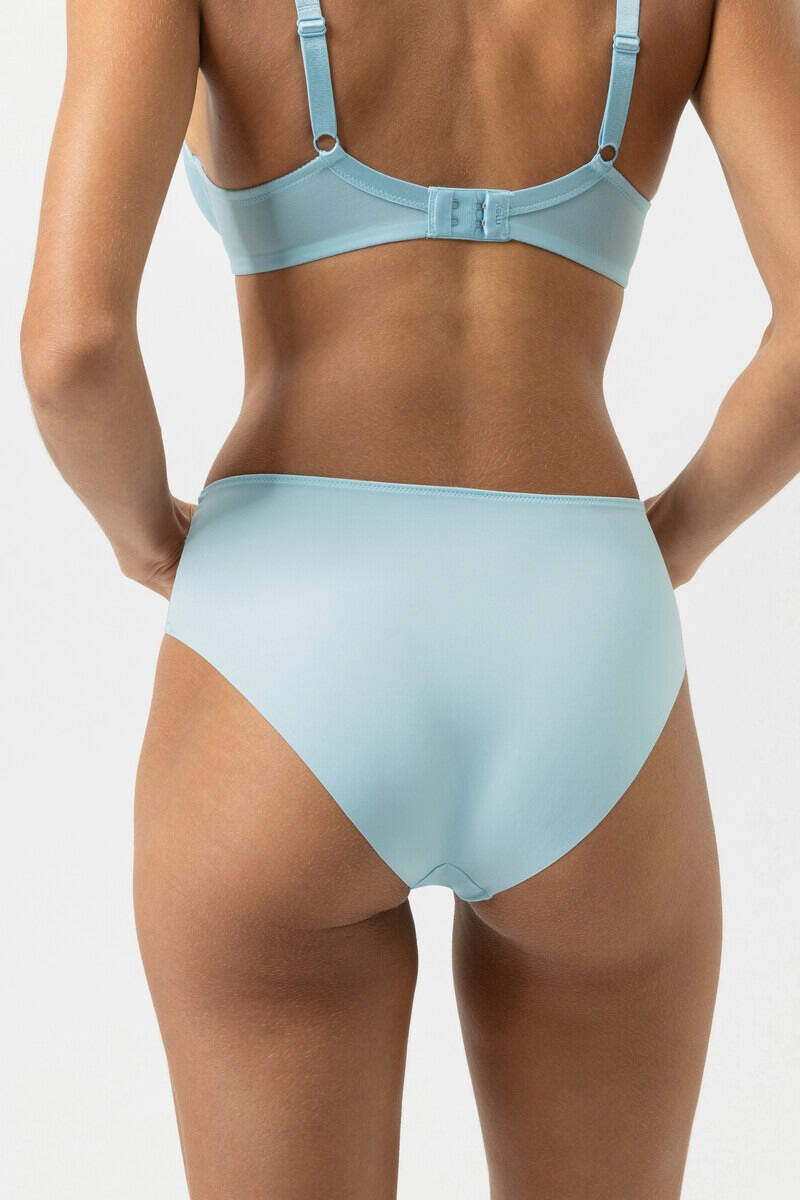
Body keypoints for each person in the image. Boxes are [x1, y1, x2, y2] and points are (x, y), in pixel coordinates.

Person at [20, 1, 800, 1196]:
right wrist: (677, 535)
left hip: (283, 641)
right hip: (584, 645)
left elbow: (71, 348)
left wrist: (146, 539)